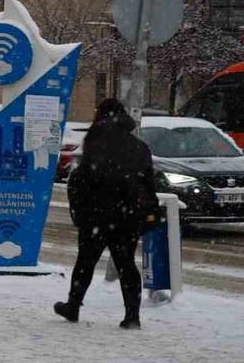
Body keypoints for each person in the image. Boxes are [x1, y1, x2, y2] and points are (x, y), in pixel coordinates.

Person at [56, 98, 159, 329]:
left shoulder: (95, 141)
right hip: (127, 215)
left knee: (86, 262)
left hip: (96, 214)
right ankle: (132, 315)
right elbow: (147, 184)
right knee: (127, 264)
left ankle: (73, 306)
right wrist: (148, 212)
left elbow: (83, 178)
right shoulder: (140, 147)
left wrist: (79, 209)